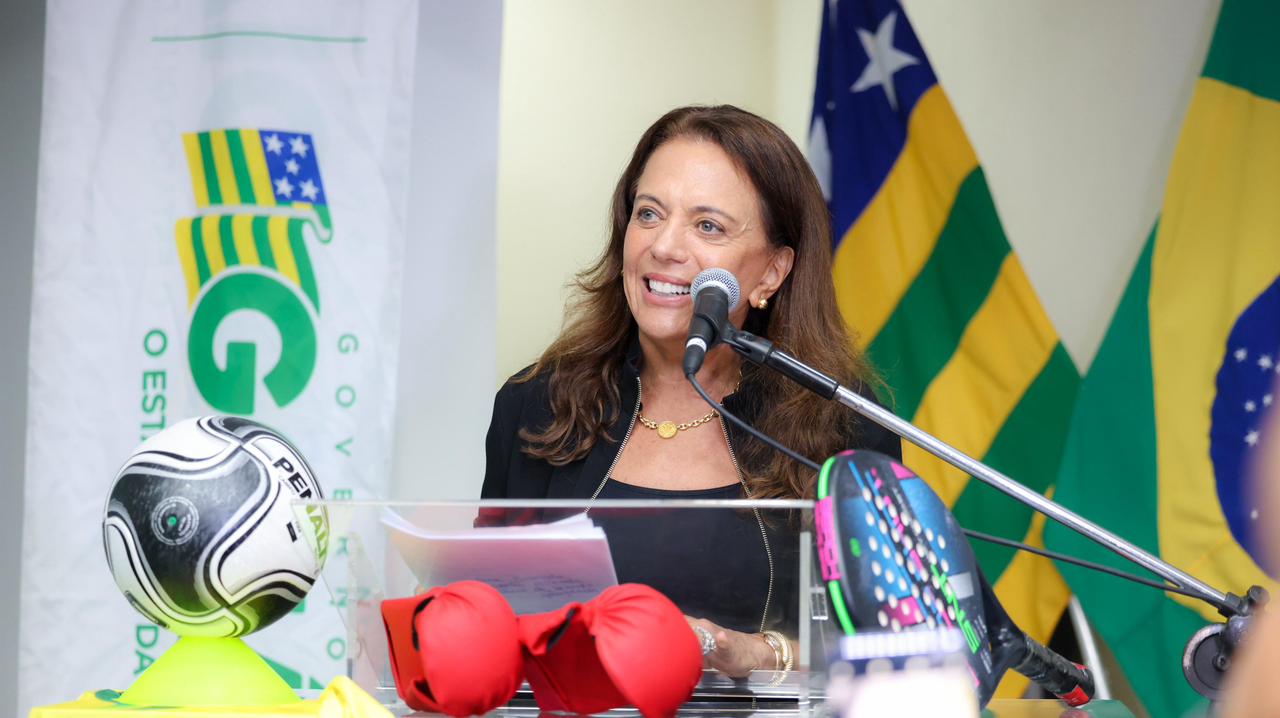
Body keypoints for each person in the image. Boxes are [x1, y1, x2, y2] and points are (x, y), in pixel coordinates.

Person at [482, 105, 901, 679]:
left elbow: (889, 643)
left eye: (708, 227)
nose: (664, 246)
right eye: (648, 214)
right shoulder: (538, 405)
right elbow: (488, 610)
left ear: (772, 272)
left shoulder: (843, 422)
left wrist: (761, 654)